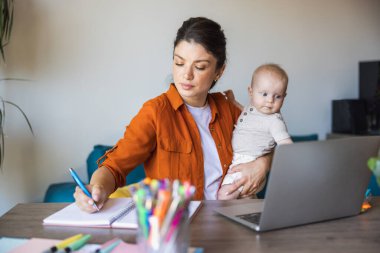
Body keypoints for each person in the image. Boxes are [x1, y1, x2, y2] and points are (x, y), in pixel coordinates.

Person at [74, 17, 272, 213]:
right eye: (179, 63)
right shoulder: (156, 113)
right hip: (179, 228)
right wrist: (97, 188)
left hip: (233, 222)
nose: (186, 75)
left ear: (219, 71)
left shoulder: (230, 109)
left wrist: (263, 164)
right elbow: (114, 167)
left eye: (200, 67)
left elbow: (268, 142)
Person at [218, 64, 293, 200]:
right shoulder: (253, 109)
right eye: (264, 94)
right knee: (245, 199)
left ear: (284, 97)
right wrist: (233, 101)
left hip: (250, 163)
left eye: (277, 96)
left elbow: (285, 142)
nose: (270, 100)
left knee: (224, 195)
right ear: (251, 92)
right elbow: (245, 112)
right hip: (239, 161)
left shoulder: (274, 121)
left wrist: (295, 157)